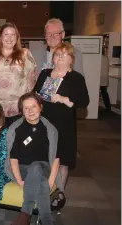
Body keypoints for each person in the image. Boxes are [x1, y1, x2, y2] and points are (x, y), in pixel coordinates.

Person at [33, 42, 89, 189]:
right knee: (43, 158)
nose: (60, 58)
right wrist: (38, 96)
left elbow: (84, 101)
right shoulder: (45, 73)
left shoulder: (76, 78)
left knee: (62, 160)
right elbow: (35, 92)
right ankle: (43, 191)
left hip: (64, 125)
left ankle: (59, 193)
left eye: (65, 55)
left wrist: (63, 99)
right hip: (43, 122)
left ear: (72, 59)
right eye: (57, 54)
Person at [5, 92, 63, 225]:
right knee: (41, 183)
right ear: (22, 111)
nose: (30, 111)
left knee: (36, 166)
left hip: (44, 168)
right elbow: (12, 158)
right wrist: (19, 180)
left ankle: (25, 212)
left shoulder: (50, 129)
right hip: (23, 170)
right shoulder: (16, 129)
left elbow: (56, 158)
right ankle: (47, 220)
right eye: (26, 108)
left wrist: (51, 182)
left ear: (40, 107)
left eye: (34, 106)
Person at [0, 22, 37, 127]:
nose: (9, 38)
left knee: (17, 141)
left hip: (19, 110)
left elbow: (32, 82)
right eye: (6, 34)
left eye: (13, 35)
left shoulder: (25, 54)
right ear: (0, 37)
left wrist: (30, 107)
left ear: (17, 37)